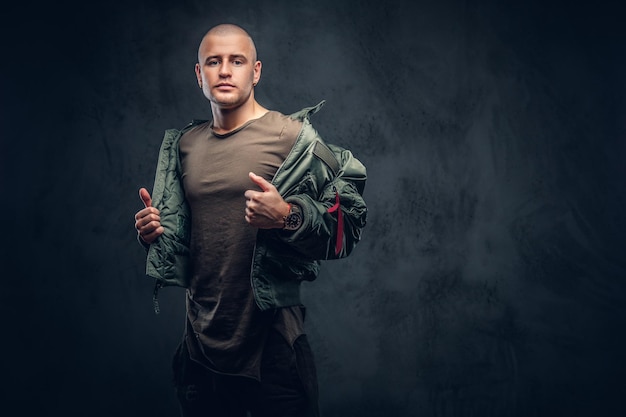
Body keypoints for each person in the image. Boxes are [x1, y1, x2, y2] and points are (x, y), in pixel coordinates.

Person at [134, 23, 367, 417]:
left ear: (255, 71)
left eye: (236, 61)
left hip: (272, 347)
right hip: (200, 346)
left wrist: (288, 217)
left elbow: (349, 223)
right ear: (199, 74)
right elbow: (196, 239)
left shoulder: (292, 138)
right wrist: (155, 233)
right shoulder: (184, 146)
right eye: (214, 62)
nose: (225, 71)